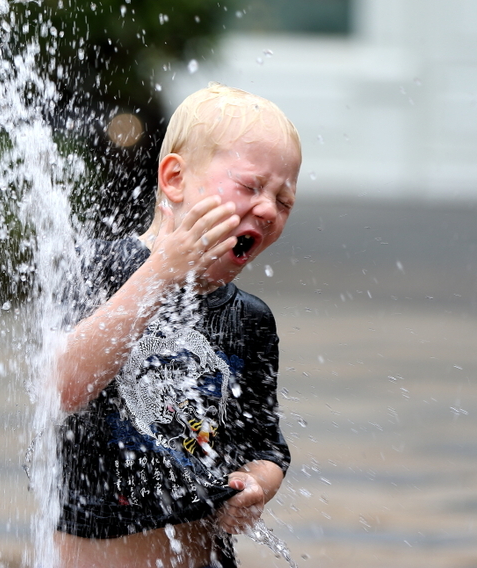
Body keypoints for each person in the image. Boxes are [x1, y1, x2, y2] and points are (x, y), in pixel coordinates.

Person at [54, 83, 301, 568]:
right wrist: (160, 274)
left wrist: (258, 483)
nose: (269, 209)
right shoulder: (101, 268)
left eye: (284, 200)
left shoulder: (249, 320)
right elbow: (62, 385)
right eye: (251, 187)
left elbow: (267, 445)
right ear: (175, 179)